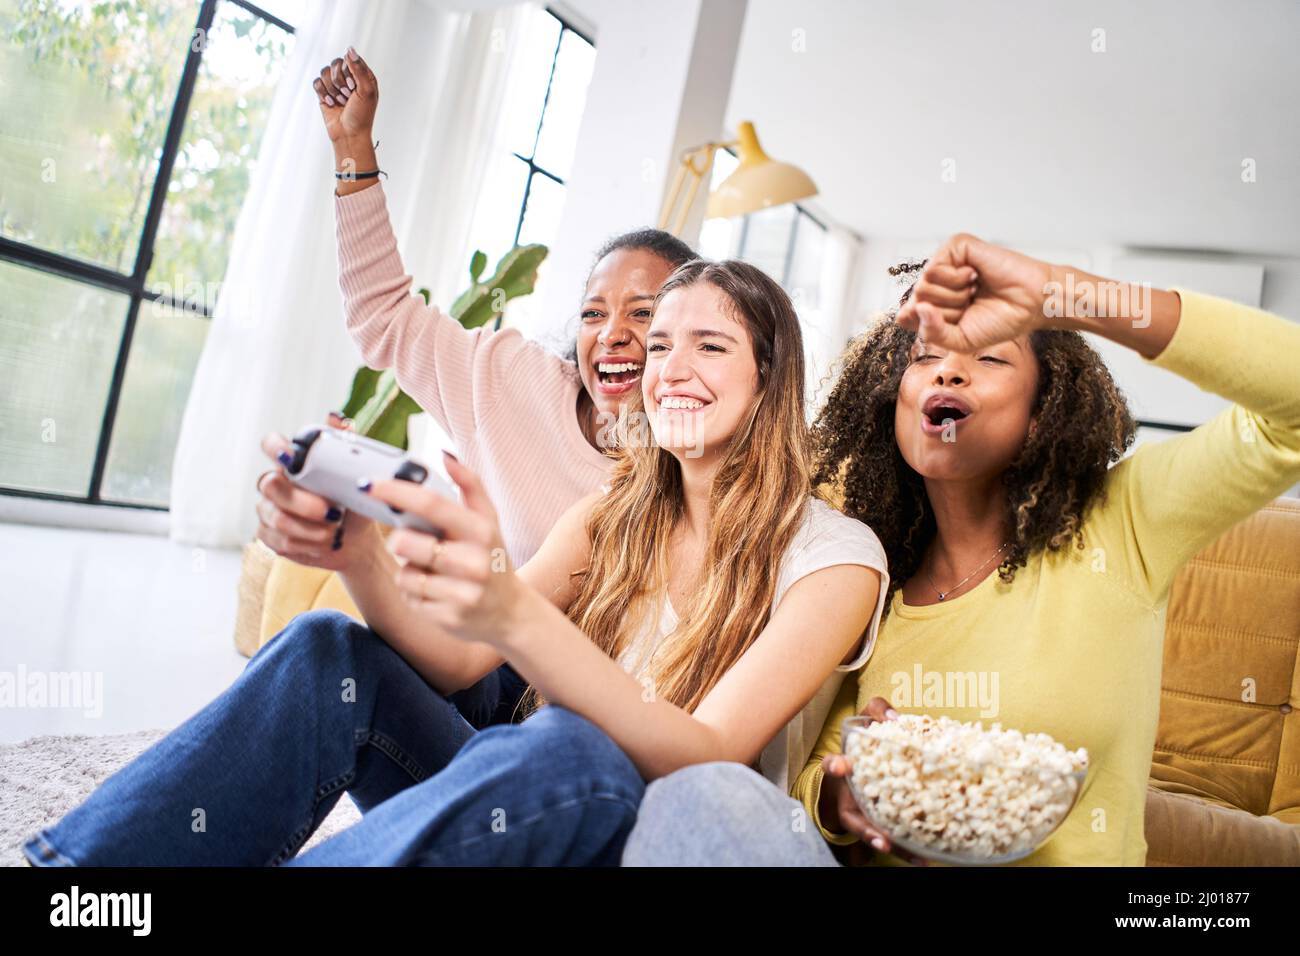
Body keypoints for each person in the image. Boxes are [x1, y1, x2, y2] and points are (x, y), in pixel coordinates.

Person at [23, 258, 888, 867]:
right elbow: (460, 662)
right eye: (660, 346)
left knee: (568, 748)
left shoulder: (833, 556)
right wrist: (357, 550)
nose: (668, 368)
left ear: (771, 377)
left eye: (709, 345)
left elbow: (705, 753)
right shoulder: (608, 519)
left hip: (652, 840)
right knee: (333, 649)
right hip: (531, 803)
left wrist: (513, 612)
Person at [621, 233, 1300, 867]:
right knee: (701, 800)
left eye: (990, 356)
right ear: (892, 397)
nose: (946, 375)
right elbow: (797, 795)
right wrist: (841, 795)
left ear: (1044, 407)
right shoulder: (863, 573)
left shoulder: (1123, 526)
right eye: (924, 360)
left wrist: (1064, 293)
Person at [252, 47, 695, 728]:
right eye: (593, 313)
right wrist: (352, 149)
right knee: (325, 647)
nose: (611, 334)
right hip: (479, 669)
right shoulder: (512, 381)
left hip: (589, 721)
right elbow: (384, 319)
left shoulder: (697, 466)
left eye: (643, 313)